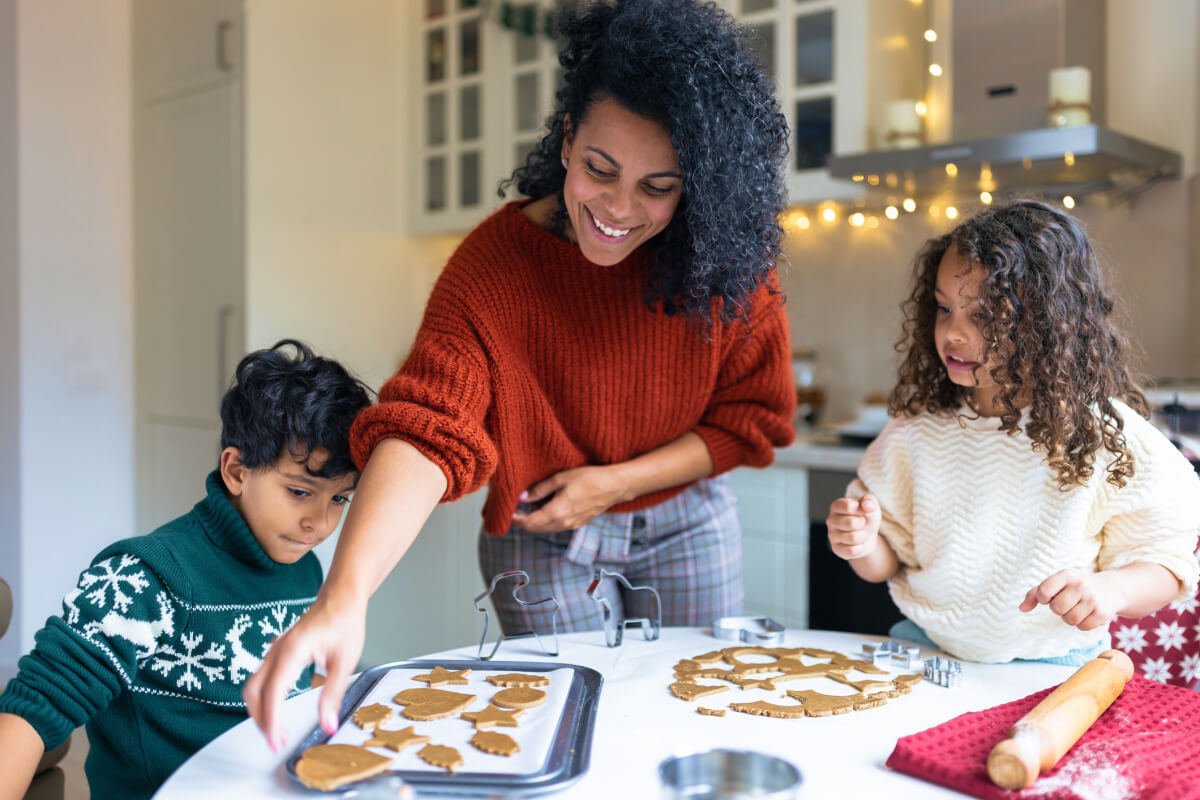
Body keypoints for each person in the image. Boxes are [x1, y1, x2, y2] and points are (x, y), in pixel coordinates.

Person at [243, 0, 794, 750]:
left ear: (694, 184)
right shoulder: (493, 269)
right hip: (541, 537)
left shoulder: (731, 272)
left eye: (657, 187)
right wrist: (345, 594)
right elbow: (427, 429)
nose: (618, 208)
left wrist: (615, 482)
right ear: (567, 138)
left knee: (697, 721)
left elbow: (750, 421)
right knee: (571, 731)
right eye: (600, 168)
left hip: (687, 521)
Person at [826, 200, 1200, 665]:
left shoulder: (1102, 432)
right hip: (927, 648)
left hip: (1057, 661)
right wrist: (861, 544)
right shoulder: (916, 430)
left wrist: (1112, 588)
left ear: (1047, 322)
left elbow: (1165, 562)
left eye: (983, 316)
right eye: (944, 308)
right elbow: (889, 561)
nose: (953, 333)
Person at [0, 340, 371, 800]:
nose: (321, 523)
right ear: (236, 470)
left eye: (339, 498)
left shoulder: (307, 572)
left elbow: (301, 689)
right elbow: (34, 711)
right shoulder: (142, 577)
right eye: (299, 491)